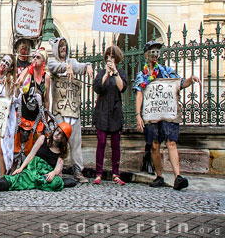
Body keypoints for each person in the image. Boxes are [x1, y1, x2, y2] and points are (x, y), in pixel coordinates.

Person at [133, 39, 200, 190]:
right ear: (146, 55)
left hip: (167, 112)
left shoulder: (166, 70)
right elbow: (139, 94)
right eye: (152, 51)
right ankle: (159, 176)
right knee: (155, 145)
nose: (155, 54)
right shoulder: (142, 75)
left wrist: (191, 79)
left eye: (157, 51)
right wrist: (138, 115)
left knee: (171, 142)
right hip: (151, 114)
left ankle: (178, 176)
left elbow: (180, 83)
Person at [47, 37, 93, 183]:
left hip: (73, 109)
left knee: (76, 142)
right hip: (60, 109)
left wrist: (88, 66)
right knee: (58, 141)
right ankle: (57, 170)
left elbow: (80, 67)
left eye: (65, 46)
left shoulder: (71, 62)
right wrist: (65, 68)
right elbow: (54, 68)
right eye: (60, 46)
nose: (63, 49)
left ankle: (78, 170)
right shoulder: (52, 61)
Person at [0, 123, 71, 194]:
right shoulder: (43, 139)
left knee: (57, 182)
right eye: (57, 131)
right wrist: (21, 168)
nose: (57, 134)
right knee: (16, 179)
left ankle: (38, 182)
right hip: (33, 169)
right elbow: (31, 154)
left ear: (63, 139)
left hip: (45, 174)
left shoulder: (61, 152)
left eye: (60, 134)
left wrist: (53, 173)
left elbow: (58, 168)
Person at [92, 45, 128, 185]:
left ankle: (116, 173)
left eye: (112, 57)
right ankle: (98, 173)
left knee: (115, 144)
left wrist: (115, 73)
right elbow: (97, 88)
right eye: (108, 57)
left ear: (116, 59)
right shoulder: (101, 73)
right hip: (102, 112)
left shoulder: (121, 73)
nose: (110, 59)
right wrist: (106, 74)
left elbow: (122, 87)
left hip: (115, 113)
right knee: (101, 143)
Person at [14, 48, 52, 168]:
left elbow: (46, 99)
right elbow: (18, 83)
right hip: (23, 115)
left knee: (33, 149)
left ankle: (29, 171)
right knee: (17, 148)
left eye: (38, 57)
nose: (35, 59)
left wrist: (45, 119)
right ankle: (13, 172)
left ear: (43, 61)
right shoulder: (27, 72)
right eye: (34, 57)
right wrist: (22, 77)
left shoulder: (46, 77)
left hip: (36, 119)